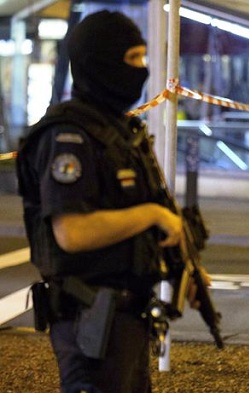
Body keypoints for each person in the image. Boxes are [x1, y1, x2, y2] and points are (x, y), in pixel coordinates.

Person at [15, 11, 186, 392]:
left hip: (126, 317)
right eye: (132, 59)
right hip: (89, 318)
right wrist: (151, 215)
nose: (142, 70)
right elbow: (72, 233)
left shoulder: (122, 131)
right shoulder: (68, 136)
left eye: (144, 58)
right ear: (98, 62)